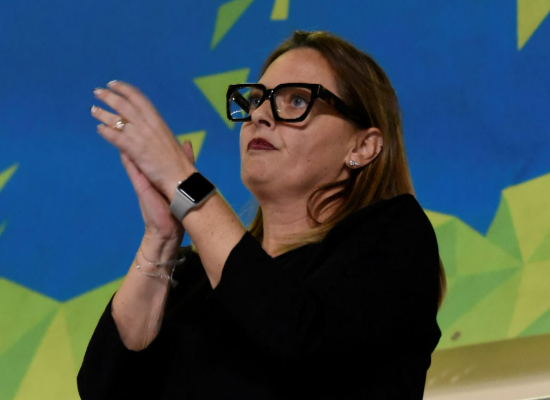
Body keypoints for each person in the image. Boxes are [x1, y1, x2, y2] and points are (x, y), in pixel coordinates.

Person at [78, 30, 446, 399]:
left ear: (362, 147)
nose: (259, 115)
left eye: (297, 100)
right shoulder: (195, 274)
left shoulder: (396, 237)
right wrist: (160, 239)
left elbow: (299, 339)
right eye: (256, 100)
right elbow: (102, 388)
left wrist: (184, 183)